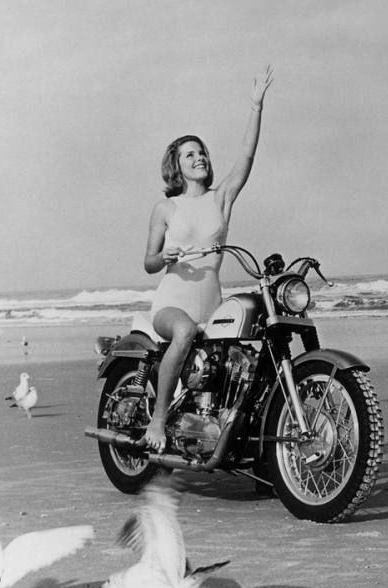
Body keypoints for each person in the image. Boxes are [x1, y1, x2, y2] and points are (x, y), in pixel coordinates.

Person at [142, 65, 274, 452]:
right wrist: (162, 254)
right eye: (189, 154)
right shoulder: (165, 208)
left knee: (245, 354)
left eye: (201, 152)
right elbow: (149, 263)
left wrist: (256, 106)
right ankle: (158, 419)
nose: (198, 157)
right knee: (183, 332)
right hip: (172, 303)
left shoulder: (221, 199)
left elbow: (246, 157)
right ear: (176, 165)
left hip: (212, 304)